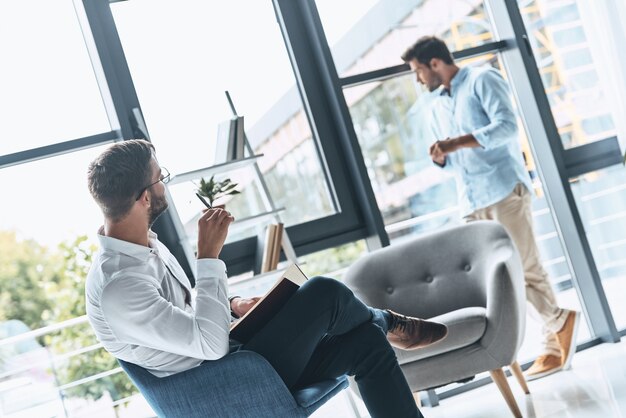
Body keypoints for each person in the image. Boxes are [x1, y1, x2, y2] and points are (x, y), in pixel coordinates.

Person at [85, 139, 448, 418]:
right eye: (161, 178)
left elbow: (178, 311)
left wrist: (232, 304)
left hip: (238, 360)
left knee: (366, 343)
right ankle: (385, 319)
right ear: (145, 198)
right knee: (324, 291)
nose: (166, 184)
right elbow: (209, 345)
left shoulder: (141, 245)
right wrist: (209, 256)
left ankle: (380, 325)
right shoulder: (120, 286)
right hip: (226, 387)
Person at [401, 36, 580, 381]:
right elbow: (456, 162)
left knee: (526, 269)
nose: (418, 80)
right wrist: (441, 158)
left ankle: (554, 342)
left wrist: (457, 142)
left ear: (435, 63)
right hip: (472, 201)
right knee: (498, 280)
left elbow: (507, 128)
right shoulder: (437, 105)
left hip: (502, 189)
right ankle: (558, 325)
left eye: (418, 71)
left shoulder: (483, 79)